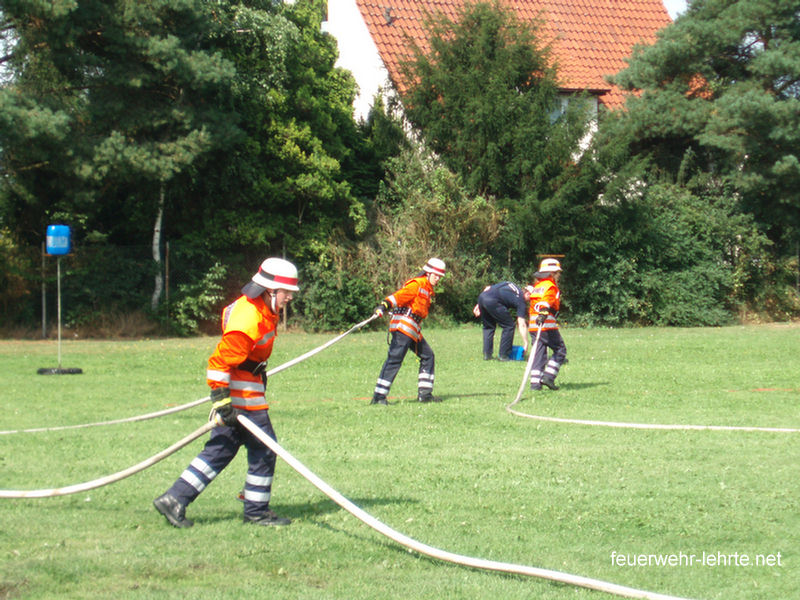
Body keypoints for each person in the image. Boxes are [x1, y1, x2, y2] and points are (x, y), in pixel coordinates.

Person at [153, 257, 299, 528]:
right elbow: (219, 363)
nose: (290, 297)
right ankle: (256, 511)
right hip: (242, 398)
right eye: (286, 292)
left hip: (247, 391)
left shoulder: (260, 309)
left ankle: (175, 499)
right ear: (270, 290)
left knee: (220, 449)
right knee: (264, 449)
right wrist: (222, 403)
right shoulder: (248, 318)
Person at [370, 258, 446, 405]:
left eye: (439, 277)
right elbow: (397, 297)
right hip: (403, 328)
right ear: (428, 273)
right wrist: (383, 306)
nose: (437, 279)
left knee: (428, 356)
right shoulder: (417, 284)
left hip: (413, 330)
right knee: (394, 360)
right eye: (435, 275)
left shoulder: (428, 289)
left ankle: (425, 395)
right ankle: (379, 397)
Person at [528, 258, 567, 390]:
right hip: (546, 325)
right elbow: (546, 301)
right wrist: (544, 312)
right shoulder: (550, 286)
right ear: (552, 273)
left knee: (538, 353)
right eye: (557, 273)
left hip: (534, 326)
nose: (559, 276)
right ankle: (548, 377)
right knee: (560, 350)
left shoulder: (537, 286)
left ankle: (535, 383)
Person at [472, 282, 530, 361]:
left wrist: (479, 304)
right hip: (492, 301)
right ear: (528, 294)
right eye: (530, 298)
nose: (529, 301)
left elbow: (488, 288)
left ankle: (487, 355)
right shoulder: (521, 300)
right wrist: (526, 342)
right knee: (509, 326)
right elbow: (522, 324)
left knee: (488, 327)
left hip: (482, 297)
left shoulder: (510, 284)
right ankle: (503, 355)